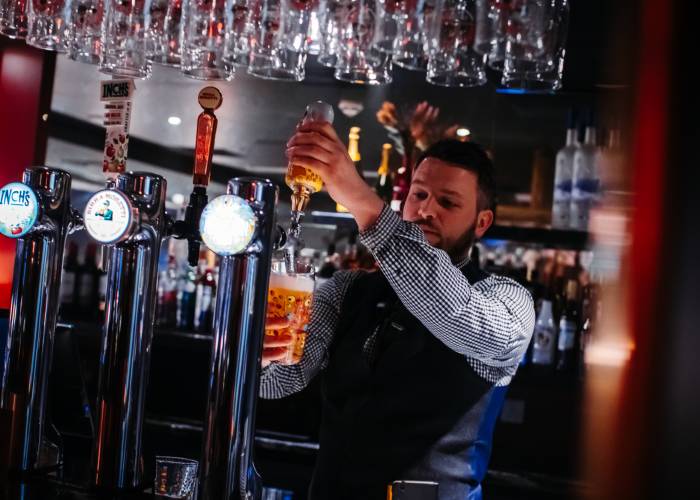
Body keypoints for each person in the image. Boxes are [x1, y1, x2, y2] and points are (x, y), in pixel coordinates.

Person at [261, 122, 535, 499]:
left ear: (481, 222)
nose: (425, 209)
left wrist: (362, 202)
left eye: (448, 202)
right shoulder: (346, 289)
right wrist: (260, 354)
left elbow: (455, 314)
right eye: (418, 194)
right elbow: (279, 382)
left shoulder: (506, 301)